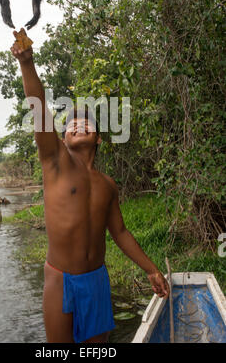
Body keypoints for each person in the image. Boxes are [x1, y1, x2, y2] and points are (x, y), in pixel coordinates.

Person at [10, 31, 169, 343]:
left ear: (98, 138)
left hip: (97, 280)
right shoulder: (54, 161)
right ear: (64, 137)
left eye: (87, 122)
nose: (77, 123)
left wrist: (151, 269)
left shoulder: (107, 185)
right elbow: (40, 110)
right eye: (70, 123)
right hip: (60, 279)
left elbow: (120, 232)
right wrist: (27, 64)